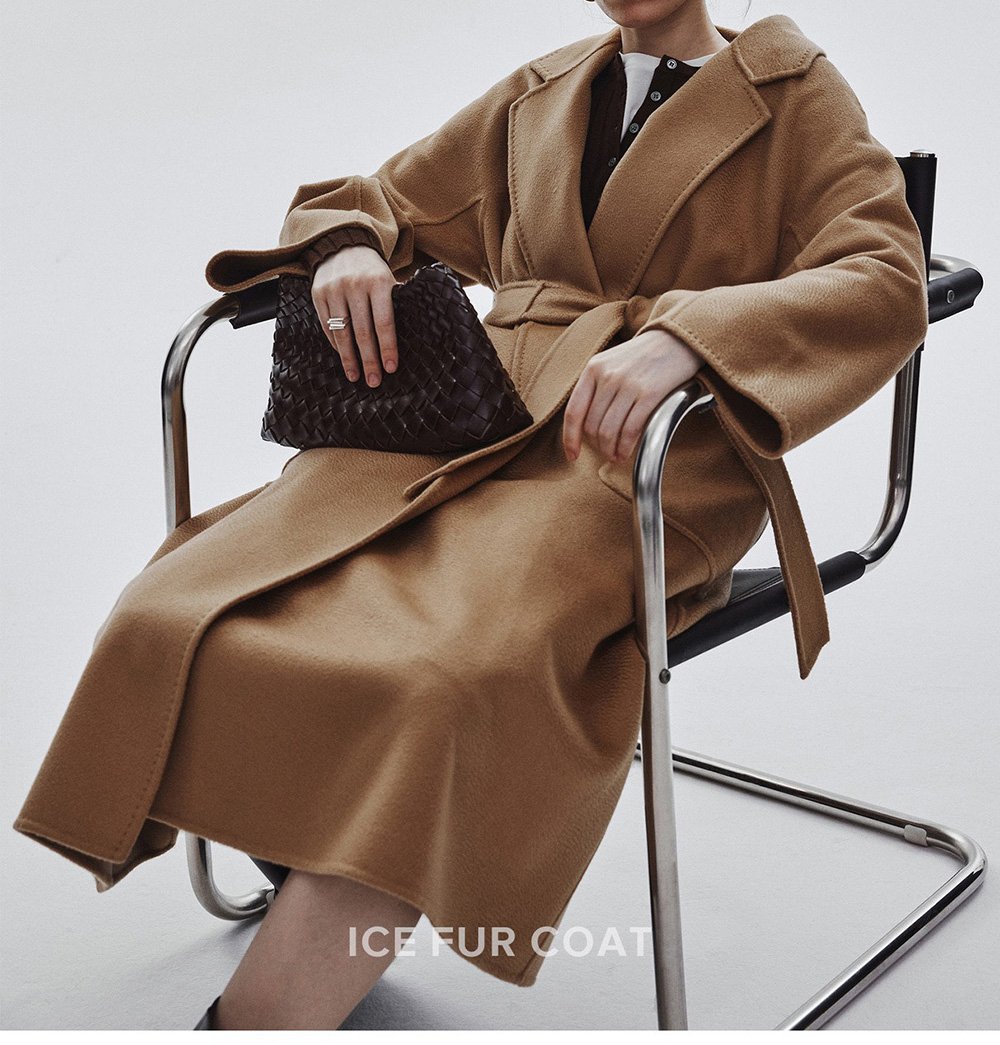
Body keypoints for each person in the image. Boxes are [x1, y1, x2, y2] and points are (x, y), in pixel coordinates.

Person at [12, 0, 929, 1031]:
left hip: (641, 459)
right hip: (469, 421)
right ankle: (322, 847)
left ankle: (267, 1011)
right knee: (177, 607)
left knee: (448, 682)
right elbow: (379, 198)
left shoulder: (795, 95)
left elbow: (884, 274)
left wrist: (691, 336)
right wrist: (349, 245)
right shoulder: (543, 91)